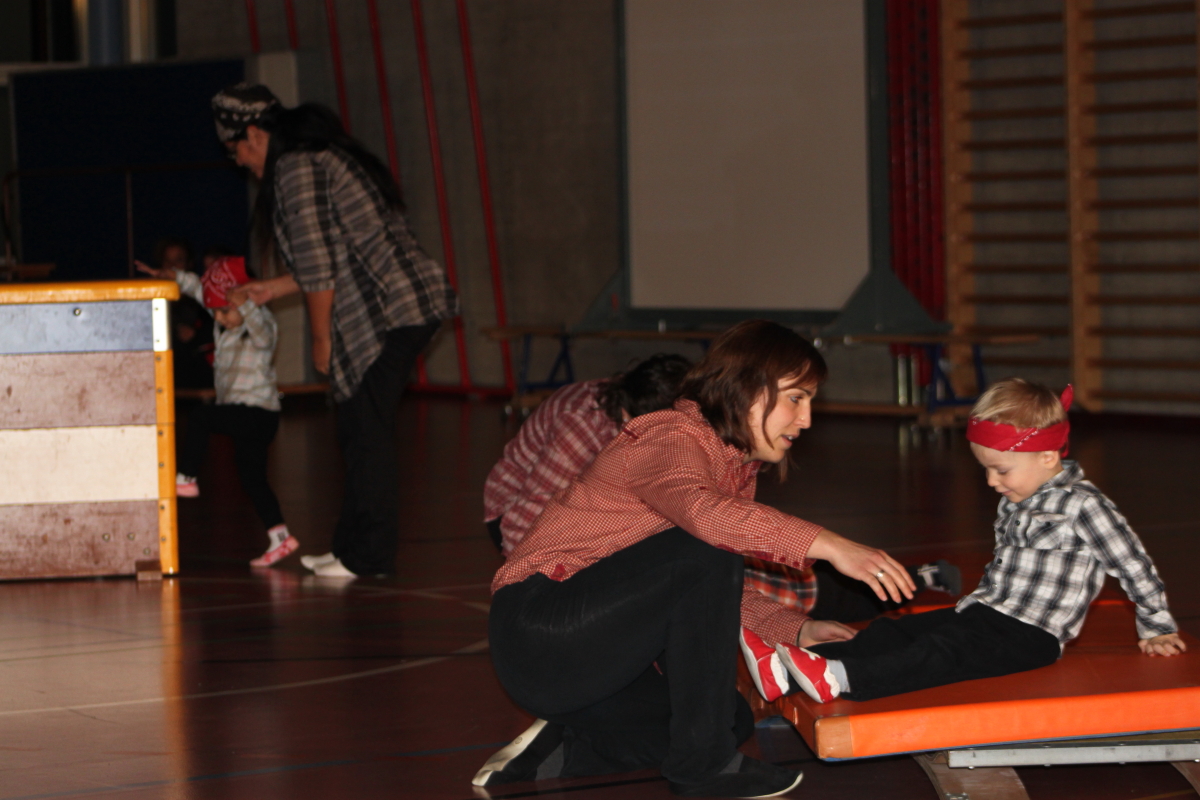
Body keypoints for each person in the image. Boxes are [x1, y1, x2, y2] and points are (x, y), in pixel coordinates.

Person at [476, 320, 916, 798]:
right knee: (705, 551)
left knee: (729, 719)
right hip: (539, 632)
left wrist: (794, 629)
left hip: (590, 665)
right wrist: (830, 545)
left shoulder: (732, 466)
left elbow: (708, 590)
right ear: (746, 388)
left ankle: (563, 750)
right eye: (796, 398)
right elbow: (706, 522)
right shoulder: (671, 435)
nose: (806, 419)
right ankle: (705, 771)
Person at [756, 378, 1186, 706]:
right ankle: (794, 667)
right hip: (986, 613)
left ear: (1048, 456)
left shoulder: (1083, 506)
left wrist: (1157, 626)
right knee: (901, 630)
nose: (992, 481)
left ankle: (841, 677)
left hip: (1030, 635)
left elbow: (1133, 564)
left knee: (942, 653)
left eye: (1001, 470)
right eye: (986, 469)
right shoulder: (1017, 498)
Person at [210, 83, 458, 578]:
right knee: (357, 427)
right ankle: (349, 548)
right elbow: (330, 254)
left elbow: (320, 265)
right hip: (393, 306)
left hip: (393, 308)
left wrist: (321, 340)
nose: (238, 161)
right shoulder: (310, 159)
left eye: (235, 149)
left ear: (254, 134)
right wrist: (269, 289)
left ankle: (369, 556)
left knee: (366, 430)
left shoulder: (295, 168)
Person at [138, 255, 297, 568]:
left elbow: (262, 331)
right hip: (242, 413)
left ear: (245, 302)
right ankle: (281, 537)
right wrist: (172, 275)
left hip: (258, 413)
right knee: (252, 479)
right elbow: (200, 290)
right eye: (217, 313)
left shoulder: (262, 324)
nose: (220, 318)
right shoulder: (225, 318)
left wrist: (246, 304)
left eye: (225, 312)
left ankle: (186, 477)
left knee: (201, 417)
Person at [484, 353, 693, 555]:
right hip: (518, 513)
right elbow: (528, 519)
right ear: (626, 416)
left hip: (593, 505)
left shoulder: (653, 400)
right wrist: (527, 574)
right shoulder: (579, 426)